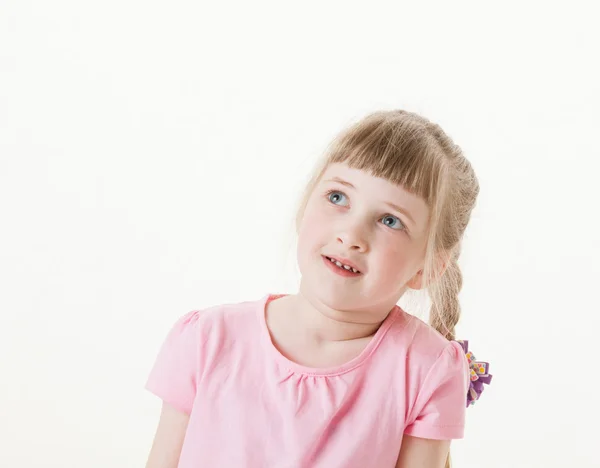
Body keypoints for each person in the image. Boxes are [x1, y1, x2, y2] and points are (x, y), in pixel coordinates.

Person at [144, 109, 492, 468]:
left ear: (427, 267)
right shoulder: (207, 340)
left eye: (390, 220)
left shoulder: (425, 369)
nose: (351, 235)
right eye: (338, 197)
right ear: (305, 204)